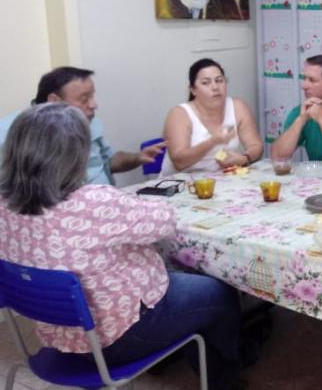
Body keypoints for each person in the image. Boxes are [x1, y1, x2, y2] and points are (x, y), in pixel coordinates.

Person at [0, 103, 244, 389]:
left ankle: (190, 351)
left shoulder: (5, 205)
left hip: (60, 334)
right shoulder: (93, 201)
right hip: (118, 337)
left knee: (185, 284)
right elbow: (164, 222)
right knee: (219, 291)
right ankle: (226, 375)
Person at [0, 66, 165, 185]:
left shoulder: (88, 121)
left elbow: (107, 161)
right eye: (84, 99)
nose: (94, 105)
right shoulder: (12, 132)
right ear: (54, 101)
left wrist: (137, 158)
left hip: (104, 207)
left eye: (92, 96)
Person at [161, 58, 263, 175]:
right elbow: (179, 162)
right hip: (179, 185)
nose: (215, 87)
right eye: (206, 83)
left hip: (221, 181)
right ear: (193, 90)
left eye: (219, 81)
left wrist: (245, 158)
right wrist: (213, 142)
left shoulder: (238, 106)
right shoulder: (179, 114)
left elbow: (256, 145)